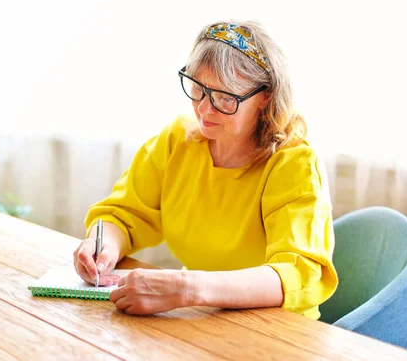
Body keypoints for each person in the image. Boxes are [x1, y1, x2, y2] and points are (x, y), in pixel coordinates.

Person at [73, 21, 338, 319]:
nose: (204, 110)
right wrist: (103, 245)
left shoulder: (294, 163)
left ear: (266, 97)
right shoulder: (179, 140)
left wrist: (188, 287)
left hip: (278, 327)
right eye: (198, 89)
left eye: (225, 98)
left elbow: (297, 273)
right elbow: (124, 214)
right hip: (203, 314)